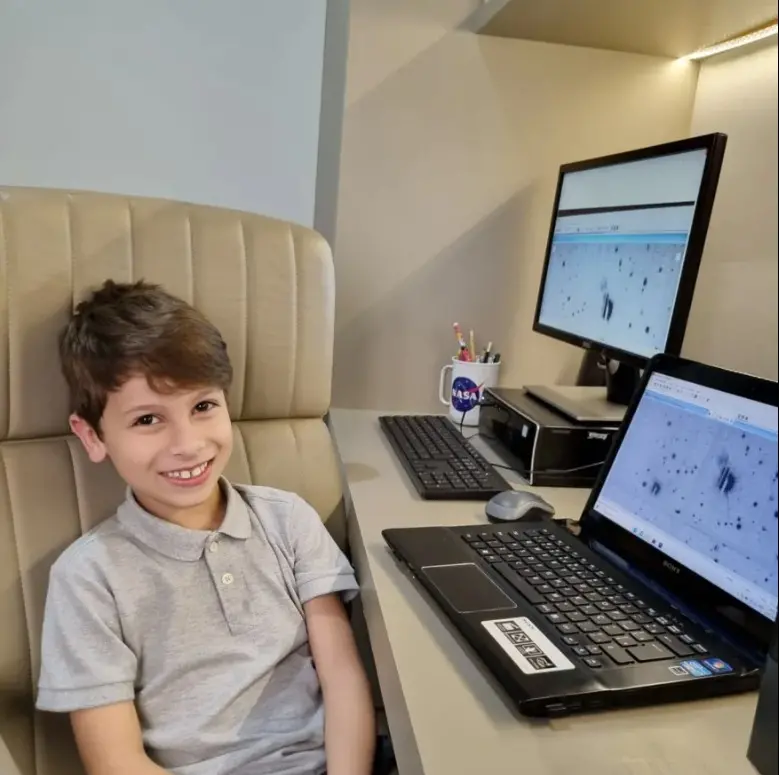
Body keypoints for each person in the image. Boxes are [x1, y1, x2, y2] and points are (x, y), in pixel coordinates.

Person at [36, 280, 376, 775]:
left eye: (202, 407)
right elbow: (116, 763)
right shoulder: (88, 577)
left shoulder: (287, 519)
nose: (188, 444)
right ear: (93, 436)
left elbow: (342, 676)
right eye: (148, 419)